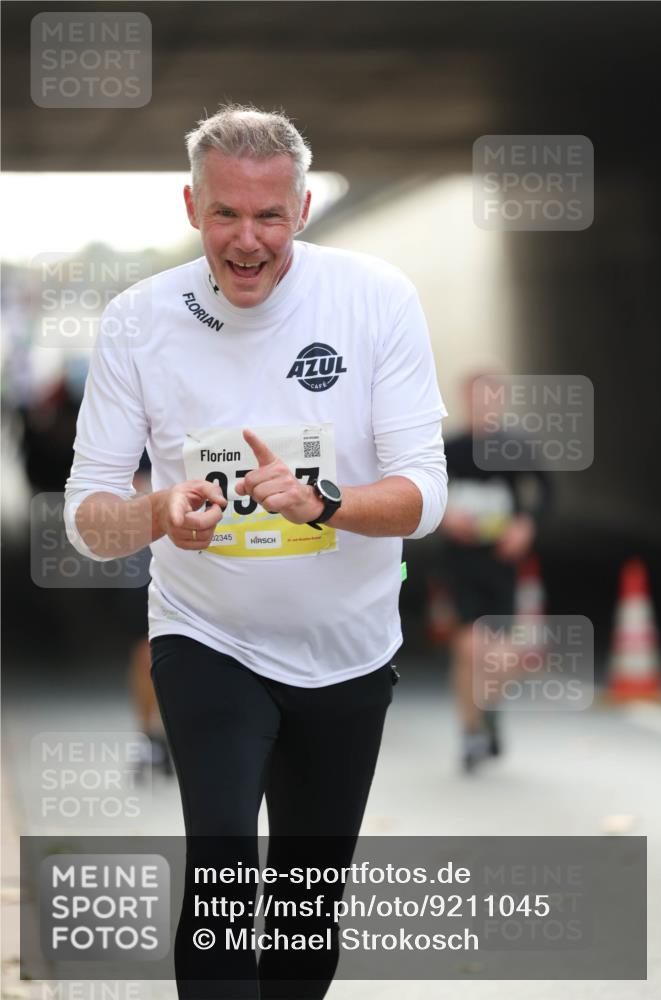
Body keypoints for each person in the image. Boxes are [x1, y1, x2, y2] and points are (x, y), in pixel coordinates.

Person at [64, 105, 447, 998]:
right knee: (226, 862)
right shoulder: (138, 320)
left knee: (306, 909)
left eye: (268, 216)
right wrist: (160, 510)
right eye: (225, 214)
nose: (246, 240)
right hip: (207, 635)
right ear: (190, 206)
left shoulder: (373, 297)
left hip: (348, 650)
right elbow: (88, 517)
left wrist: (330, 502)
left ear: (303, 211)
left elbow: (424, 495)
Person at [438, 371, 552, 772]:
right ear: (466, 400)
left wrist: (526, 526)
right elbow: (427, 491)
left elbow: (546, 491)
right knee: (468, 648)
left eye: (492, 398)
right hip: (461, 563)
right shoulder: (449, 448)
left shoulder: (516, 447)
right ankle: (470, 735)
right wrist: (446, 517)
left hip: (502, 563)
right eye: (477, 398)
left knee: (501, 657)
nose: (485, 405)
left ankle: (489, 709)